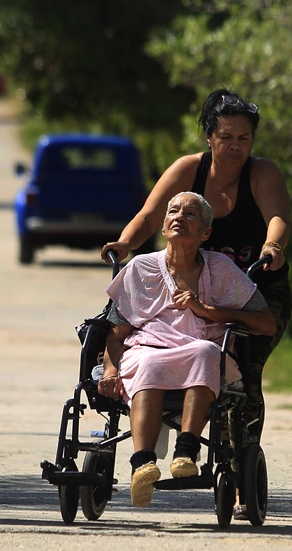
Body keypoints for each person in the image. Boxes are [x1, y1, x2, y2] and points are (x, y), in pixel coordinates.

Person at [102, 88, 291, 448]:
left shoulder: (262, 173)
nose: (235, 146)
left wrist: (272, 247)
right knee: (164, 347)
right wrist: (125, 244)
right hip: (189, 278)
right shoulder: (189, 169)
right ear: (209, 138)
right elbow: (148, 215)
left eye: (243, 138)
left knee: (243, 373)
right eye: (225, 137)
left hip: (254, 287)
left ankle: (237, 468)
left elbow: (278, 216)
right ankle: (155, 436)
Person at [97, 192, 276, 508]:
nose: (179, 217)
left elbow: (266, 323)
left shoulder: (221, 269)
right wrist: (111, 369)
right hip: (147, 349)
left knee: (206, 352)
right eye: (173, 212)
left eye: (190, 214)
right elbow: (115, 335)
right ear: (163, 227)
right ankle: (142, 465)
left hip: (201, 352)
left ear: (206, 233)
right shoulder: (140, 268)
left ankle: (186, 451)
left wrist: (209, 311)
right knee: (150, 362)